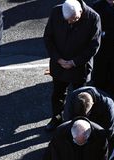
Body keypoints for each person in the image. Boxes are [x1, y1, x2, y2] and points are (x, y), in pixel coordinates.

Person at [43, 0, 101, 131]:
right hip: (59, 65)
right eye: (67, 20)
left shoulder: (93, 18)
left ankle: (78, 123)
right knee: (58, 94)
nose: (70, 22)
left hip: (80, 67)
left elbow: (94, 46)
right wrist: (58, 59)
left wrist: (74, 62)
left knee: (80, 98)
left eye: (73, 19)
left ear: (80, 11)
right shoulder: (56, 12)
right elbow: (48, 37)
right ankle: (57, 118)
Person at [63, 86, 114, 160]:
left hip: (99, 131)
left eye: (86, 114)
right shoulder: (71, 99)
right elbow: (67, 123)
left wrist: (92, 141)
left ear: (93, 104)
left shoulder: (107, 104)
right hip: (82, 131)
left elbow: (109, 132)